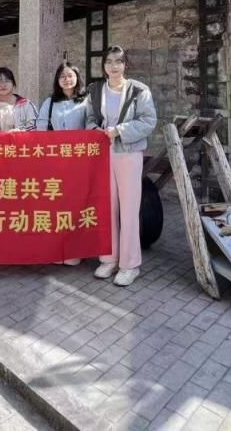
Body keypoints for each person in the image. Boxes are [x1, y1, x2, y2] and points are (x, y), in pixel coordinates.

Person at [85, 46, 157, 287]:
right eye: (109, 61)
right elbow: (89, 119)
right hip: (103, 154)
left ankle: (130, 264)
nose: (114, 66)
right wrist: (95, 130)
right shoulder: (95, 90)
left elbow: (148, 121)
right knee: (107, 207)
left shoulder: (139, 90)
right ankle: (109, 259)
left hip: (129, 153)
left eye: (118, 61)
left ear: (126, 64)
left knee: (129, 210)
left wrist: (119, 130)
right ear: (103, 66)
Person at [37, 61, 89, 266]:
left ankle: (76, 250)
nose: (67, 79)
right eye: (62, 76)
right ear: (57, 80)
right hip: (55, 161)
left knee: (77, 205)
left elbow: (92, 125)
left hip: (80, 161)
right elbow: (41, 129)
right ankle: (57, 248)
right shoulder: (50, 103)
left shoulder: (86, 101)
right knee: (56, 205)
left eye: (70, 75)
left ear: (77, 78)